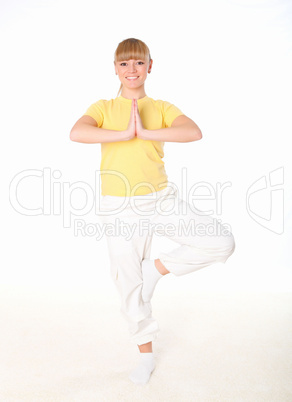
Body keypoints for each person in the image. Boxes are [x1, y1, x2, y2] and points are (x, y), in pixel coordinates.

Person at [70, 37, 235, 385]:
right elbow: (77, 132)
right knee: (129, 286)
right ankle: (145, 356)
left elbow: (193, 131)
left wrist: (144, 132)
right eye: (124, 63)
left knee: (220, 242)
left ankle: (155, 269)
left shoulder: (160, 106)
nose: (132, 70)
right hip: (119, 208)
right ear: (115, 68)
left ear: (150, 66)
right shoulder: (102, 107)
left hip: (159, 199)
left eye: (139, 63)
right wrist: (124, 134)